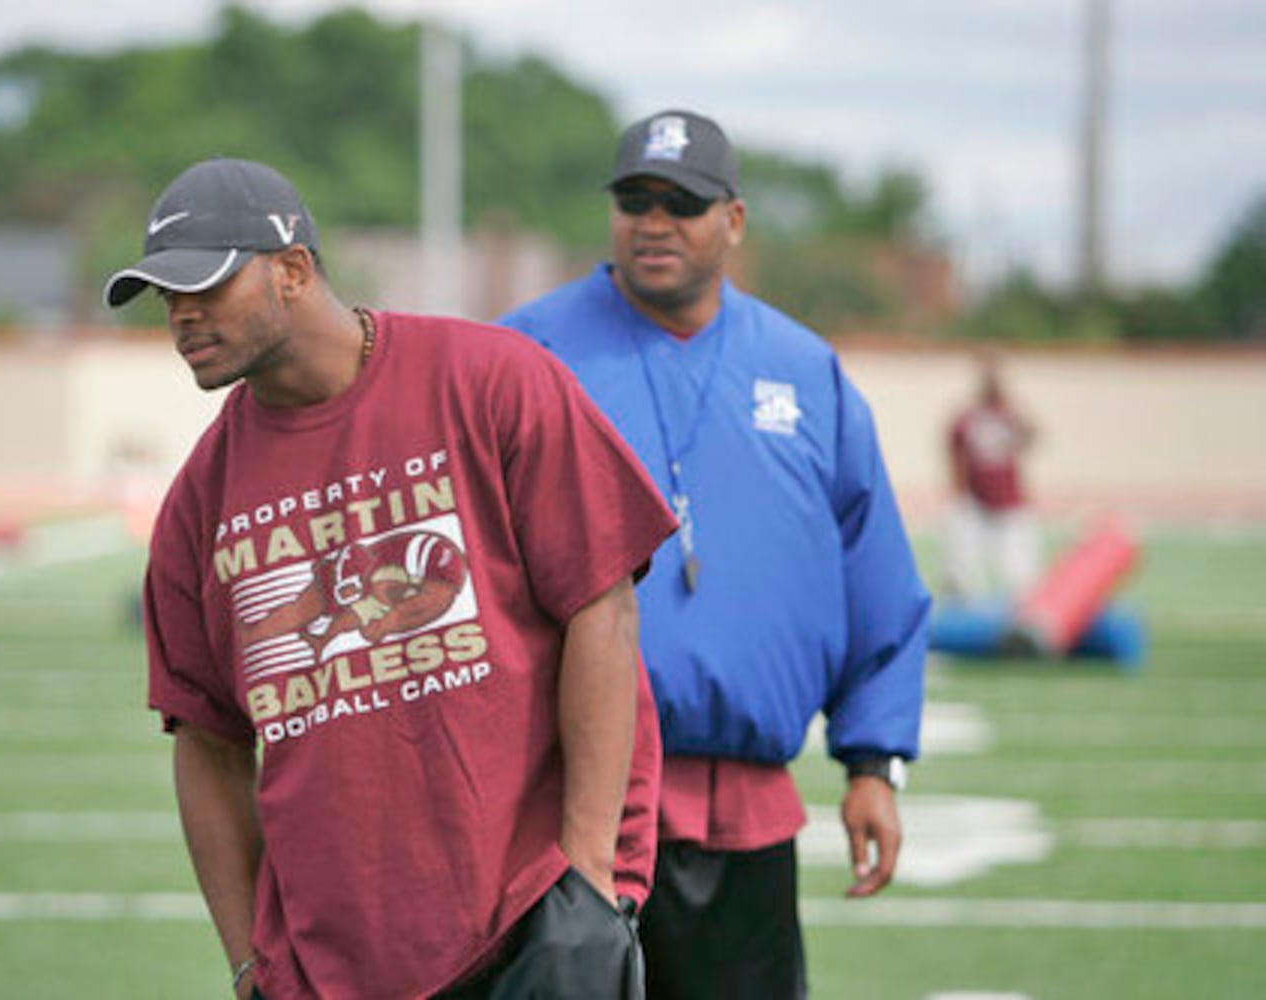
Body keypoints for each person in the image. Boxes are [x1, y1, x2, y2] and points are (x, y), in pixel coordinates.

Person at [105, 157, 678, 1000]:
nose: (183, 315)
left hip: (532, 926)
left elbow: (602, 606)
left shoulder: (492, 381)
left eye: (208, 287)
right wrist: (248, 965)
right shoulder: (200, 498)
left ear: (293, 269)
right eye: (167, 296)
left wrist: (593, 875)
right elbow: (207, 739)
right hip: (324, 968)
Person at [500, 110, 931, 999]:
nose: (654, 222)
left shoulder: (804, 369)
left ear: (733, 220)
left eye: (683, 203)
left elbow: (874, 570)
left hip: (744, 809)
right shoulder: (523, 354)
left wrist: (872, 761)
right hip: (563, 804)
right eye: (636, 199)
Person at [944, 350, 1041, 602]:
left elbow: (1033, 435)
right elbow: (953, 449)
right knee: (963, 562)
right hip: (976, 500)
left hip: (1010, 501)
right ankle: (962, 603)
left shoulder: (1011, 415)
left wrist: (1016, 407)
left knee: (1021, 571)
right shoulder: (968, 417)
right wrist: (958, 490)